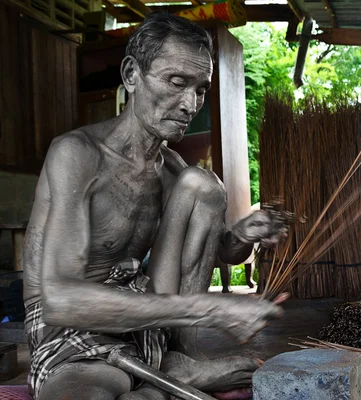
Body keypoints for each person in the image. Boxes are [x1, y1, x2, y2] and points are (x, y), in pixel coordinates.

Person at [22, 12, 287, 400]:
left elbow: (220, 251)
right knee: (87, 393)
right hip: (69, 327)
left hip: (144, 317)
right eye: (177, 82)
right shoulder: (78, 154)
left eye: (201, 89)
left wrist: (244, 234)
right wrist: (208, 309)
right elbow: (60, 300)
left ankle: (180, 358)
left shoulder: (173, 171)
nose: (190, 103)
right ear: (132, 75)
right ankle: (163, 378)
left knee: (203, 184)